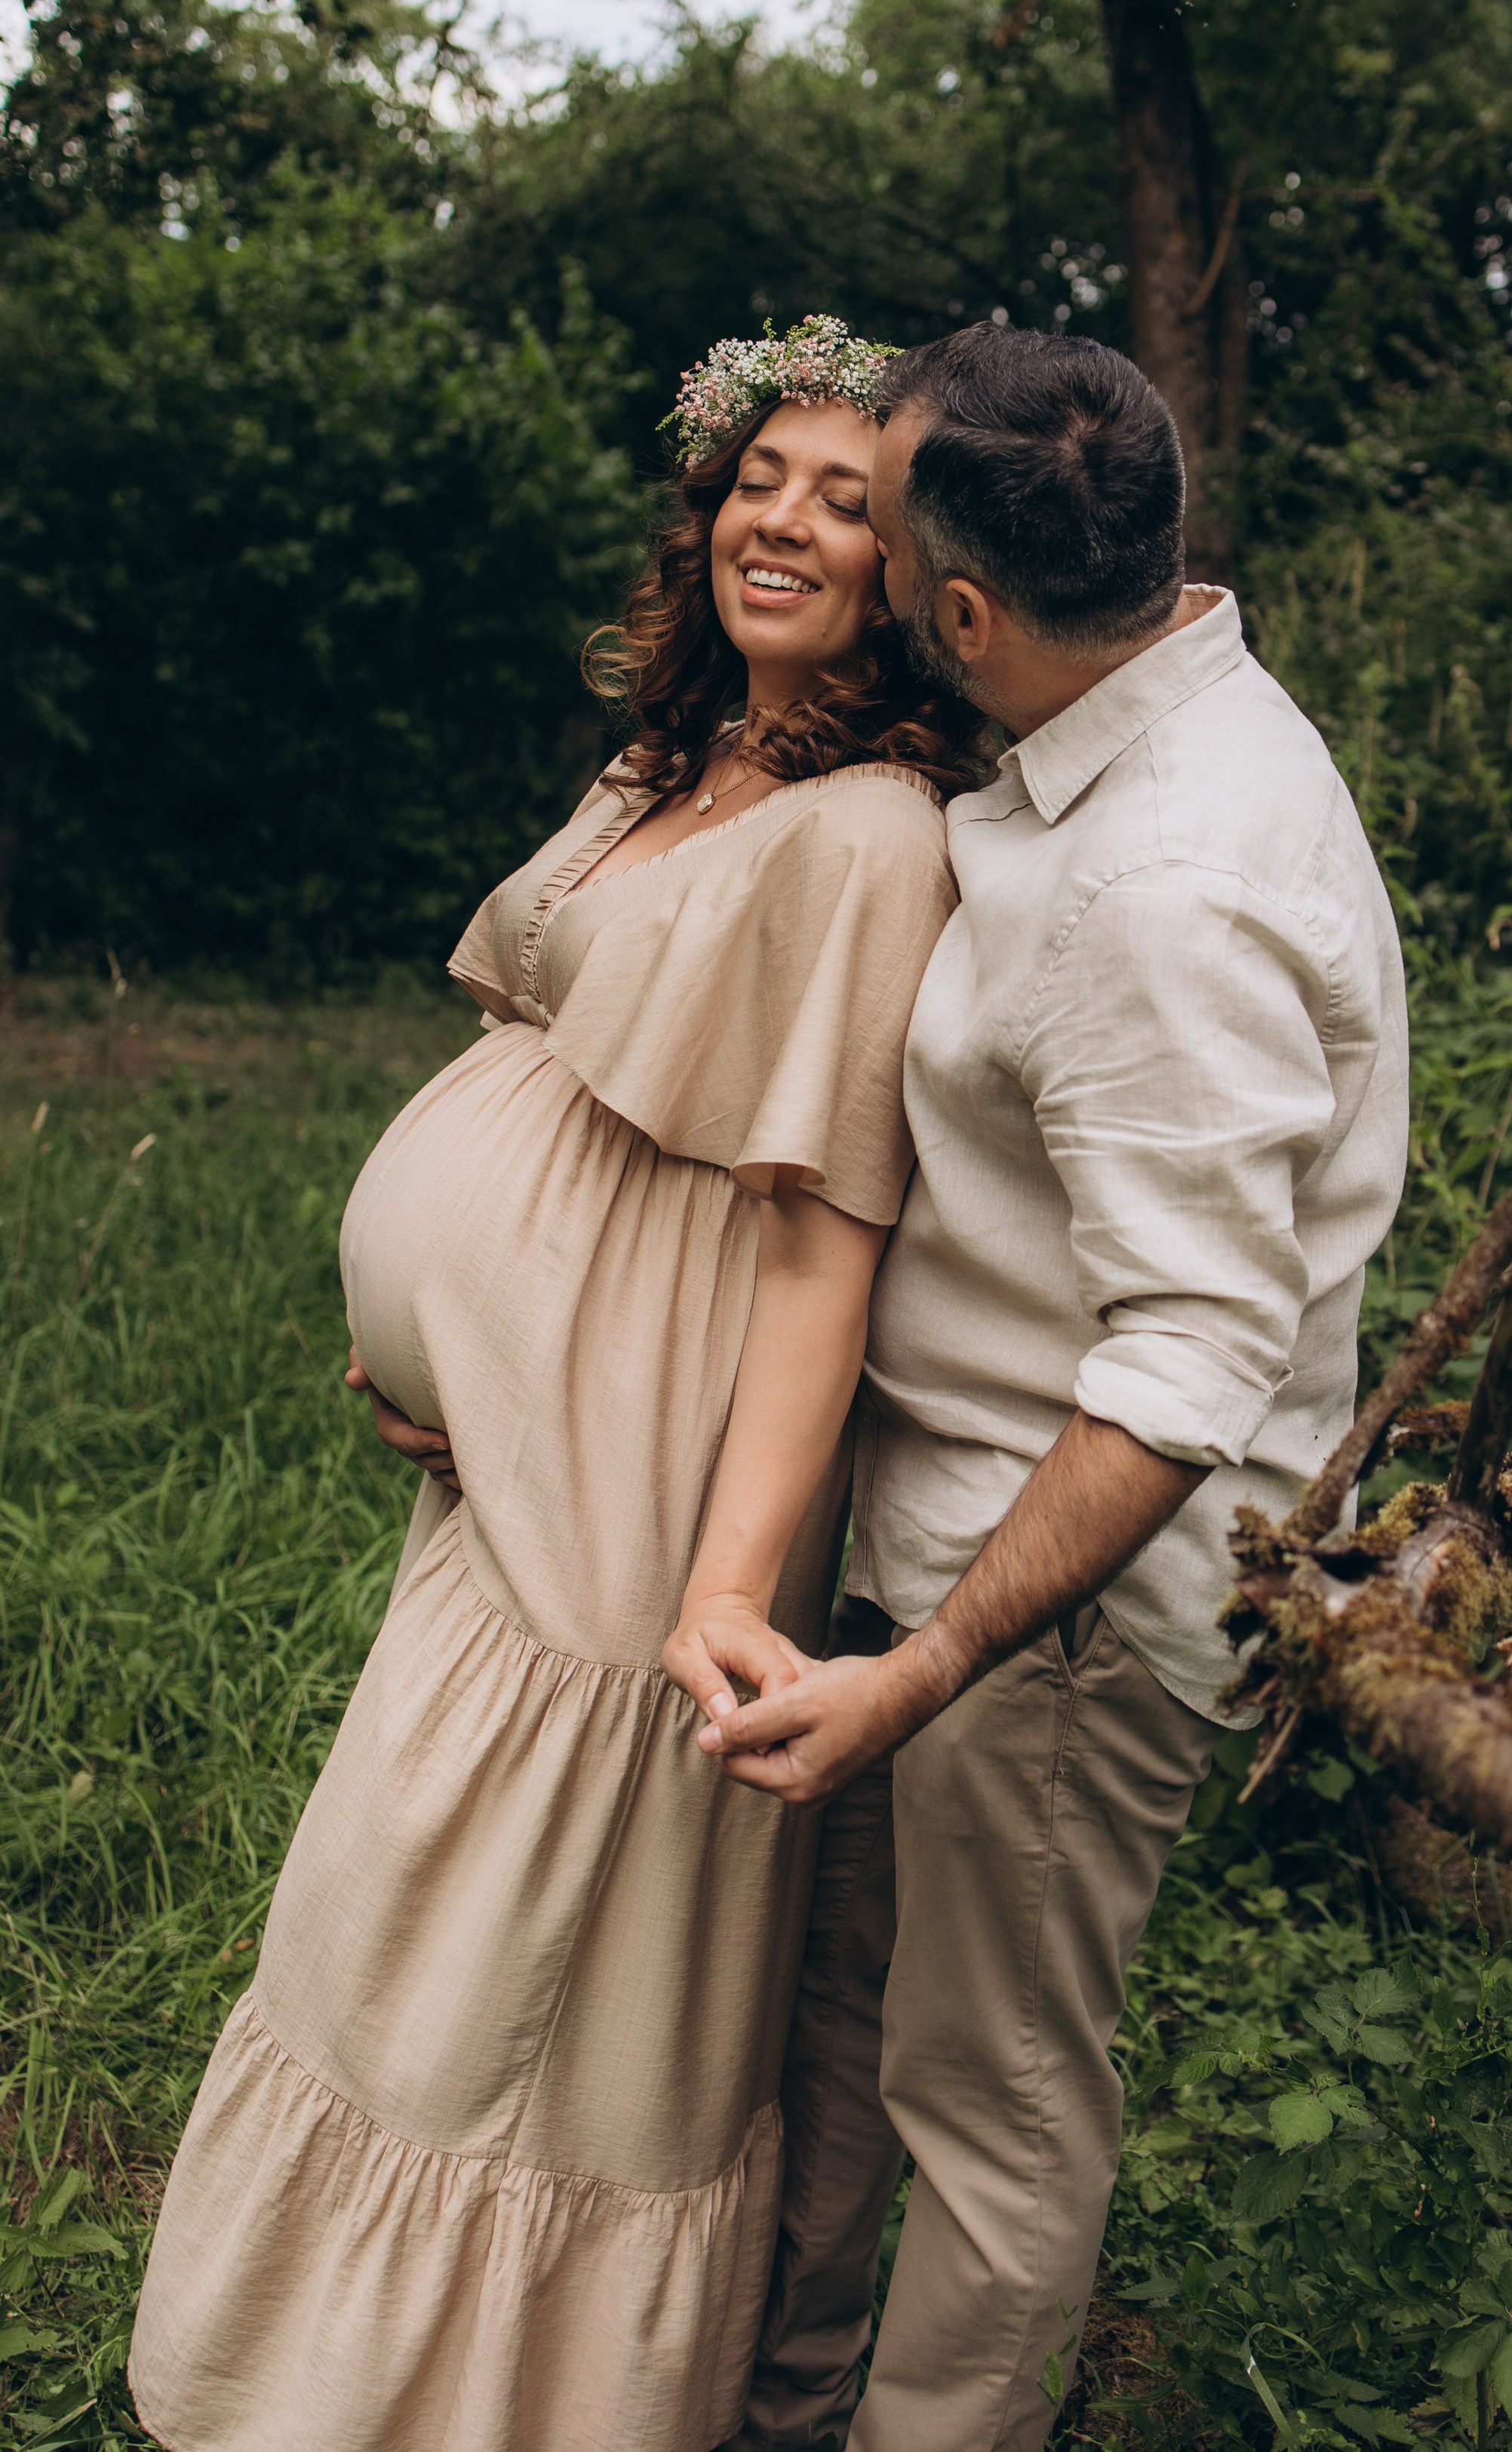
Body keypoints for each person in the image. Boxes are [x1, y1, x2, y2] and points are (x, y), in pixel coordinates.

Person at [127, 315, 986, 2452]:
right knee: (385, 1919)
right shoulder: (665, 762)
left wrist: (729, 1581)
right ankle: (305, 2387)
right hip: (503, 1449)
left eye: (845, 500)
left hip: (651, 1475)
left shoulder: (872, 834)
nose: (783, 521)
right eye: (760, 478)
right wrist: (425, 1309)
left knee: (533, 1969)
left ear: (909, 571)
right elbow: (528, 1074)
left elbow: (824, 1230)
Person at [705, 324, 1411, 2450]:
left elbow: (1192, 1363)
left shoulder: (1163, 888)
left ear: (972, 612)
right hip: (937, 1539)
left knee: (993, 2110)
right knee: (848, 2036)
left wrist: (931, 1671)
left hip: (1055, 1616)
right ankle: (776, 2407)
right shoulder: (1115, 710)